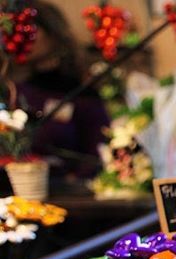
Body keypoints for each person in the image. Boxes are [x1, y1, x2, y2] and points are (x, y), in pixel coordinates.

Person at [15, 0, 109, 182]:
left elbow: (98, 151)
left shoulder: (81, 93)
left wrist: (74, 180)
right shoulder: (18, 90)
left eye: (30, 31)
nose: (22, 38)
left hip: (71, 195)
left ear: (53, 33)